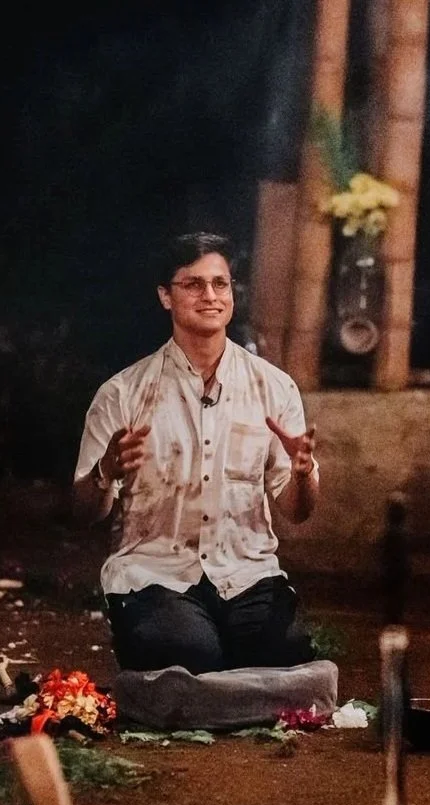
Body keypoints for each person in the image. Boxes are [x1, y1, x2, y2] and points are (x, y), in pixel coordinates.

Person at [73, 231, 319, 675]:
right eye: (193, 284)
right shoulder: (123, 393)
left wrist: (302, 474)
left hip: (246, 574)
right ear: (165, 296)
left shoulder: (274, 387)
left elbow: (297, 512)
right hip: (154, 574)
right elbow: (84, 512)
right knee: (189, 656)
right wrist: (105, 470)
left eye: (220, 283)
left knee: (288, 652)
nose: (210, 295)